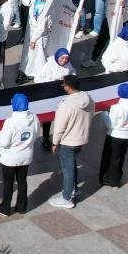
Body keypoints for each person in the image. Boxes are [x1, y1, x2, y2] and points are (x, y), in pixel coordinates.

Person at [48, 76, 92, 208]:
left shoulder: (66, 104)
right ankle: (74, 189)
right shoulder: (88, 98)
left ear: (67, 86)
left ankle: (66, 198)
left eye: (63, 84)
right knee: (72, 164)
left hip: (68, 141)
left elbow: (59, 126)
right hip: (81, 138)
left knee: (67, 170)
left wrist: (55, 143)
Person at [0, 93, 37, 215]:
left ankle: (5, 209)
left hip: (10, 158)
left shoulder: (11, 122)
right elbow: (35, 134)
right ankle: (21, 207)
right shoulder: (34, 118)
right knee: (22, 181)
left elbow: (4, 142)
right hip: (26, 156)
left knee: (8, 182)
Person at [99, 83, 128, 187]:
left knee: (110, 158)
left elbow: (111, 124)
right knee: (120, 157)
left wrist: (104, 114)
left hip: (115, 136)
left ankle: (109, 179)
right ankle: (117, 177)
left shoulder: (116, 107)